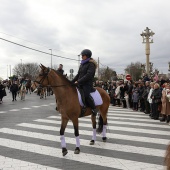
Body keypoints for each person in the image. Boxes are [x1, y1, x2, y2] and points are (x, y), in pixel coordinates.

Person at [72, 49, 97, 116]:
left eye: (83, 55)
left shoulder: (91, 64)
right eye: (82, 55)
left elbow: (88, 75)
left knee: (86, 95)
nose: (81, 56)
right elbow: (78, 74)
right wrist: (71, 81)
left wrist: (79, 81)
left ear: (87, 56)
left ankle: (94, 108)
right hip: (80, 83)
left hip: (87, 84)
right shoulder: (82, 64)